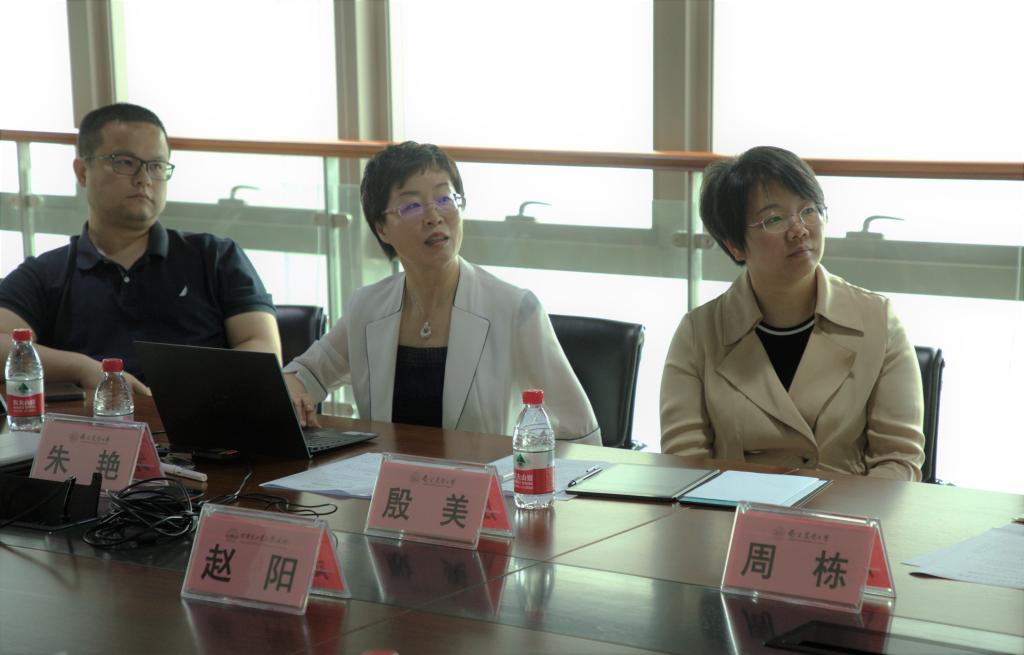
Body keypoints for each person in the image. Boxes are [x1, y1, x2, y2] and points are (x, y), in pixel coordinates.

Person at [284, 141, 600, 444]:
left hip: (484, 480)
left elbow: (581, 433)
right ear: (382, 228)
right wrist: (293, 392)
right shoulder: (367, 307)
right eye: (411, 206)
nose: (434, 216)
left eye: (444, 199)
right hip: (387, 480)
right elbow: (303, 373)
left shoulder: (514, 308)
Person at [660, 146, 925, 480]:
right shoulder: (699, 333)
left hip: (844, 509)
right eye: (774, 219)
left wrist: (847, 514)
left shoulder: (877, 320)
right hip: (732, 509)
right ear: (734, 245)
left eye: (808, 210)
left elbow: (898, 459)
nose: (799, 229)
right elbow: (684, 465)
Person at [0, 103, 280, 395]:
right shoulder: (46, 273)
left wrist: (192, 390)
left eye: (156, 165)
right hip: (94, 421)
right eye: (125, 162)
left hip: (201, 419)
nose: (144, 178)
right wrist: (82, 368)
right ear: (82, 172)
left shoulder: (215, 256)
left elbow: (262, 347)